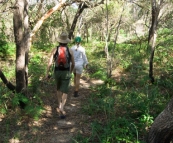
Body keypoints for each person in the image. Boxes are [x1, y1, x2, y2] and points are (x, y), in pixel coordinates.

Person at [46, 32, 75, 119]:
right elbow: (73, 63)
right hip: (66, 72)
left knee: (58, 89)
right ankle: (62, 107)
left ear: (59, 41)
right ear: (67, 41)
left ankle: (59, 105)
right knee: (65, 91)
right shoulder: (70, 50)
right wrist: (71, 71)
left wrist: (47, 73)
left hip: (57, 72)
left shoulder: (55, 49)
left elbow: (50, 62)